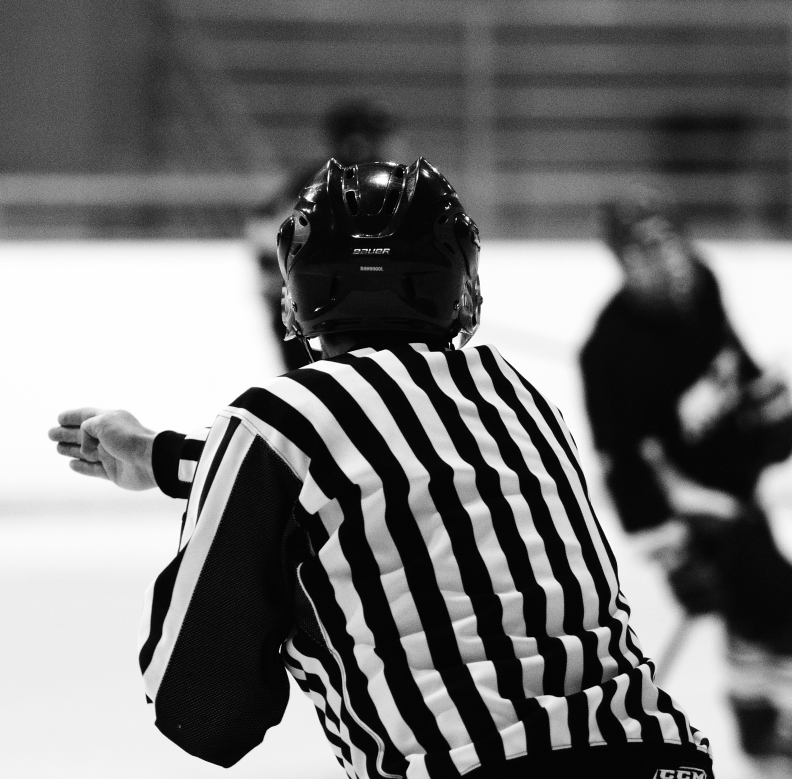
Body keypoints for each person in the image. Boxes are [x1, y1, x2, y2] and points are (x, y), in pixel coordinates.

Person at [51, 159, 715, 778]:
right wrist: (162, 455)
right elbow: (396, 469)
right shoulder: (522, 402)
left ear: (298, 293)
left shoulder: (276, 422)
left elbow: (201, 710)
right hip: (665, 757)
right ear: (462, 284)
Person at [580, 192, 792, 771]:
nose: (666, 260)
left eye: (670, 242)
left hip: (741, 492)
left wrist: (768, 412)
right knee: (779, 609)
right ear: (622, 261)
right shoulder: (609, 351)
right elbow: (623, 466)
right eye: (645, 251)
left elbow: (732, 360)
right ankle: (760, 725)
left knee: (757, 617)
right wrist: (674, 557)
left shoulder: (702, 286)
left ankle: (758, 725)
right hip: (698, 515)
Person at [249, 99, 403, 371]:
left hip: (316, 308)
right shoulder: (372, 182)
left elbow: (264, 230)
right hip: (327, 312)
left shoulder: (317, 178)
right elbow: (266, 234)